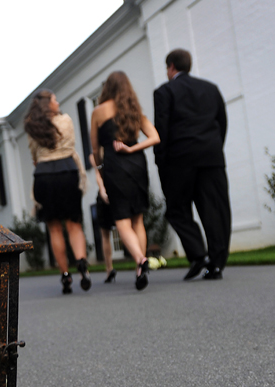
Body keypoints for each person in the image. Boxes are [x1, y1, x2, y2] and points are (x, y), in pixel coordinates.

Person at [153, 48, 231, 280]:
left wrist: (161, 162)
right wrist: (214, 147)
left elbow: (161, 130)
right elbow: (222, 122)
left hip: (179, 160)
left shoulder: (164, 92)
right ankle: (216, 264)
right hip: (211, 158)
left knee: (177, 209)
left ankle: (198, 254)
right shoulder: (211, 89)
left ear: (171, 67)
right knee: (215, 210)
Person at [90, 71, 160, 291]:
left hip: (114, 166)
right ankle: (141, 266)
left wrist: (100, 166)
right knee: (137, 219)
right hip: (138, 165)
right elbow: (155, 137)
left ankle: (140, 259)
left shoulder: (99, 112)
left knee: (122, 220)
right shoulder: (134, 111)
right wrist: (132, 148)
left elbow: (94, 148)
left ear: (107, 88)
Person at [25, 90, 91, 294]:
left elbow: (34, 157)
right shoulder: (66, 121)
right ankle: (81, 264)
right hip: (68, 171)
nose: (58, 102)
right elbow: (71, 147)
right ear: (48, 104)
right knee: (74, 224)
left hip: (44, 175)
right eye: (54, 99)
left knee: (54, 228)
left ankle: (65, 275)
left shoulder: (33, 127)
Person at [94, 191, 117, 283]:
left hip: (104, 194)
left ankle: (109, 269)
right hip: (121, 188)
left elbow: (98, 177)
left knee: (105, 235)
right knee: (129, 227)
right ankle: (139, 266)